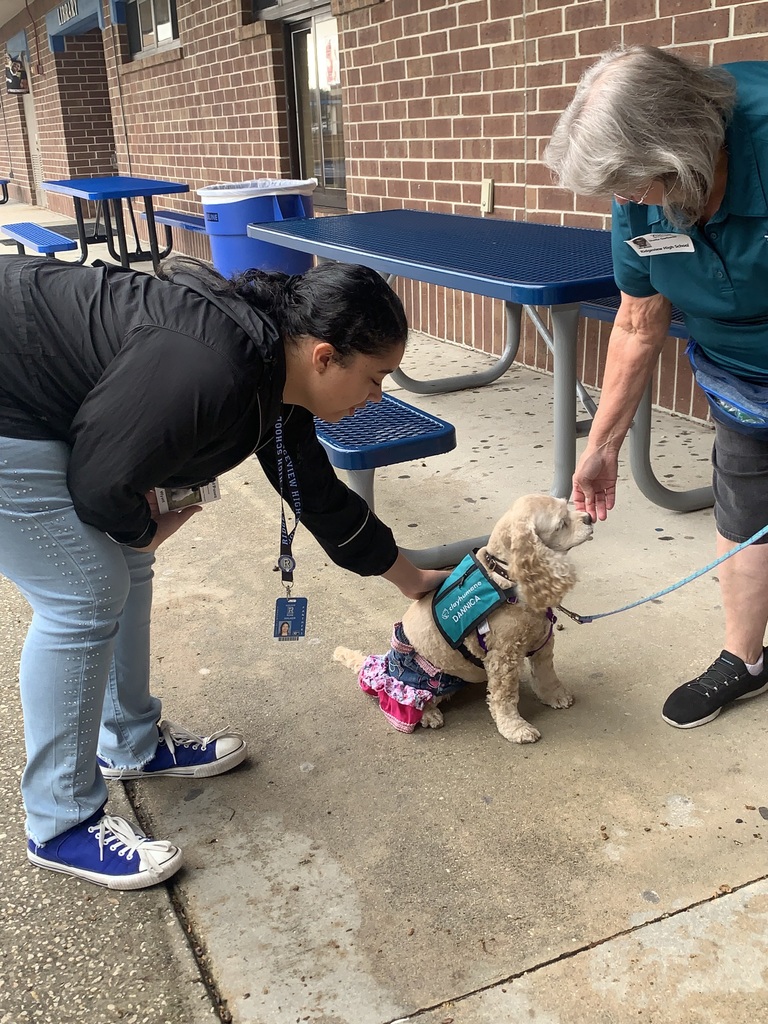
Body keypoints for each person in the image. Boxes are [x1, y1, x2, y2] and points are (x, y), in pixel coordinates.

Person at [0, 254, 446, 890]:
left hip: (37, 387)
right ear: (325, 356)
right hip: (11, 399)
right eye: (375, 378)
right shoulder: (215, 368)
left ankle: (129, 742)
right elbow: (99, 487)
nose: (376, 397)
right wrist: (142, 526)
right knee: (85, 589)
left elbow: (318, 495)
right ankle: (59, 821)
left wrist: (410, 580)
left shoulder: (274, 372)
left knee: (122, 566)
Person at [544, 45, 768, 730]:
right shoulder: (637, 196)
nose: (627, 204)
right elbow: (639, 321)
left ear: (686, 152)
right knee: (744, 514)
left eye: (634, 186)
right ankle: (746, 660)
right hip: (737, 378)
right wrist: (604, 443)